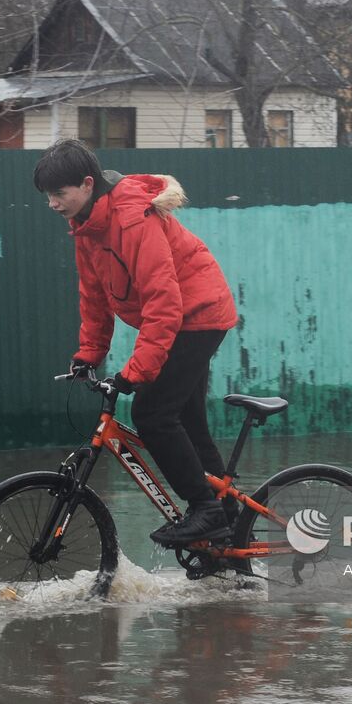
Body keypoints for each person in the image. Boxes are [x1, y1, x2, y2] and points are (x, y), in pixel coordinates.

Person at [34, 137, 241, 549]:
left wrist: (136, 373)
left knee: (153, 413)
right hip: (180, 318)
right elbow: (94, 297)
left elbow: (164, 302)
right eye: (47, 197)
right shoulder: (87, 228)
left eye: (60, 193)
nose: (53, 204)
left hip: (198, 315)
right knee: (189, 425)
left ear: (88, 184)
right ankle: (228, 538)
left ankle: (205, 509)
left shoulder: (132, 220)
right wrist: (89, 353)